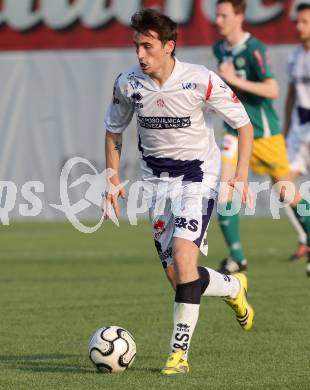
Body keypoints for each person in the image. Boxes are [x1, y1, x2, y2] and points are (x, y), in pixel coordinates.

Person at [103, 8, 254, 375]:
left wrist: (242, 174)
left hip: (197, 177)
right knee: (179, 277)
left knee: (185, 259)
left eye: (148, 46)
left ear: (169, 47)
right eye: (137, 46)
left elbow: (244, 123)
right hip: (156, 183)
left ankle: (178, 356)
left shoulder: (200, 80)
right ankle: (233, 287)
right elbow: (113, 129)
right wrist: (111, 178)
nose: (140, 54)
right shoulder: (128, 83)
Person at [213, 0, 310, 275]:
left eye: (224, 15)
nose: (218, 20)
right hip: (234, 130)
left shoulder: (255, 49)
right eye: (217, 15)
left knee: (285, 191)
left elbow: (272, 89)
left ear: (239, 17)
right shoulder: (219, 49)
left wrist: (235, 79)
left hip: (264, 132)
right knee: (224, 189)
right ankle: (237, 256)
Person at [285, 2, 310, 276]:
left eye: (305, 21)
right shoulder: (295, 55)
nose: (299, 26)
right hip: (299, 130)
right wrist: (286, 128)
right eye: (298, 21)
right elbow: (291, 95)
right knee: (283, 185)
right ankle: (306, 237)